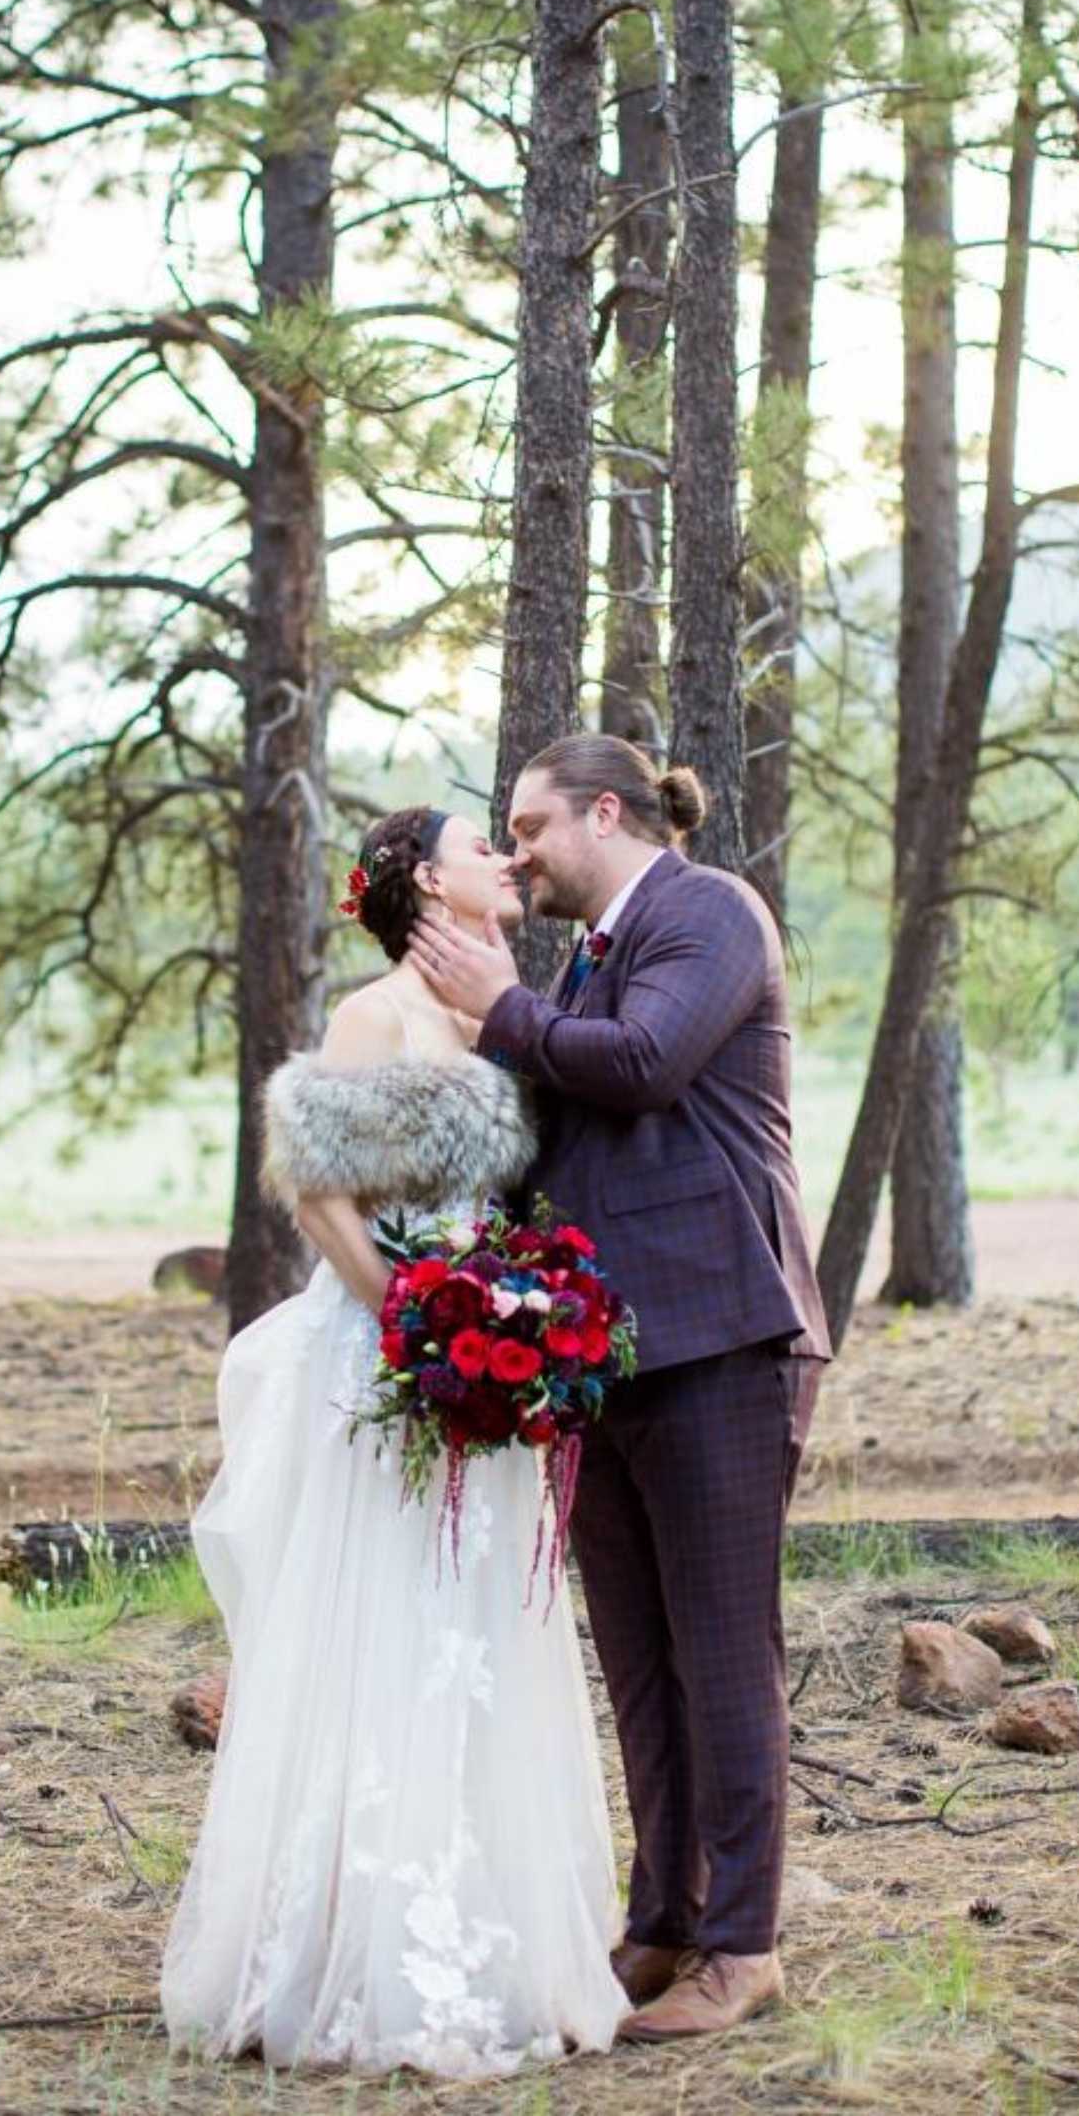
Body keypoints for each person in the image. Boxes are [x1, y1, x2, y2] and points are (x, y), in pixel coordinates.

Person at [160, 803, 628, 2077]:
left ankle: (496, 1933)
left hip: (486, 1363)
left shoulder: (502, 1007)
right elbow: (319, 1195)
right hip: (392, 1360)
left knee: (480, 1635)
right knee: (389, 1628)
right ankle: (345, 1946)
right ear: (426, 879)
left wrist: (513, 1320)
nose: (508, 859)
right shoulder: (378, 1016)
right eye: (484, 844)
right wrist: (419, 1323)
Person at [408, 733, 831, 2045]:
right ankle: (661, 1925)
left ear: (606, 811)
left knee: (721, 1656)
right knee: (641, 1668)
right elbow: (568, 1129)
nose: (517, 850)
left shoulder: (708, 914)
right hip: (606, 1357)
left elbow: (644, 1065)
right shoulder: (588, 955)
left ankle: (743, 1943)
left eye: (531, 826)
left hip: (717, 1340)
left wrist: (497, 1010)